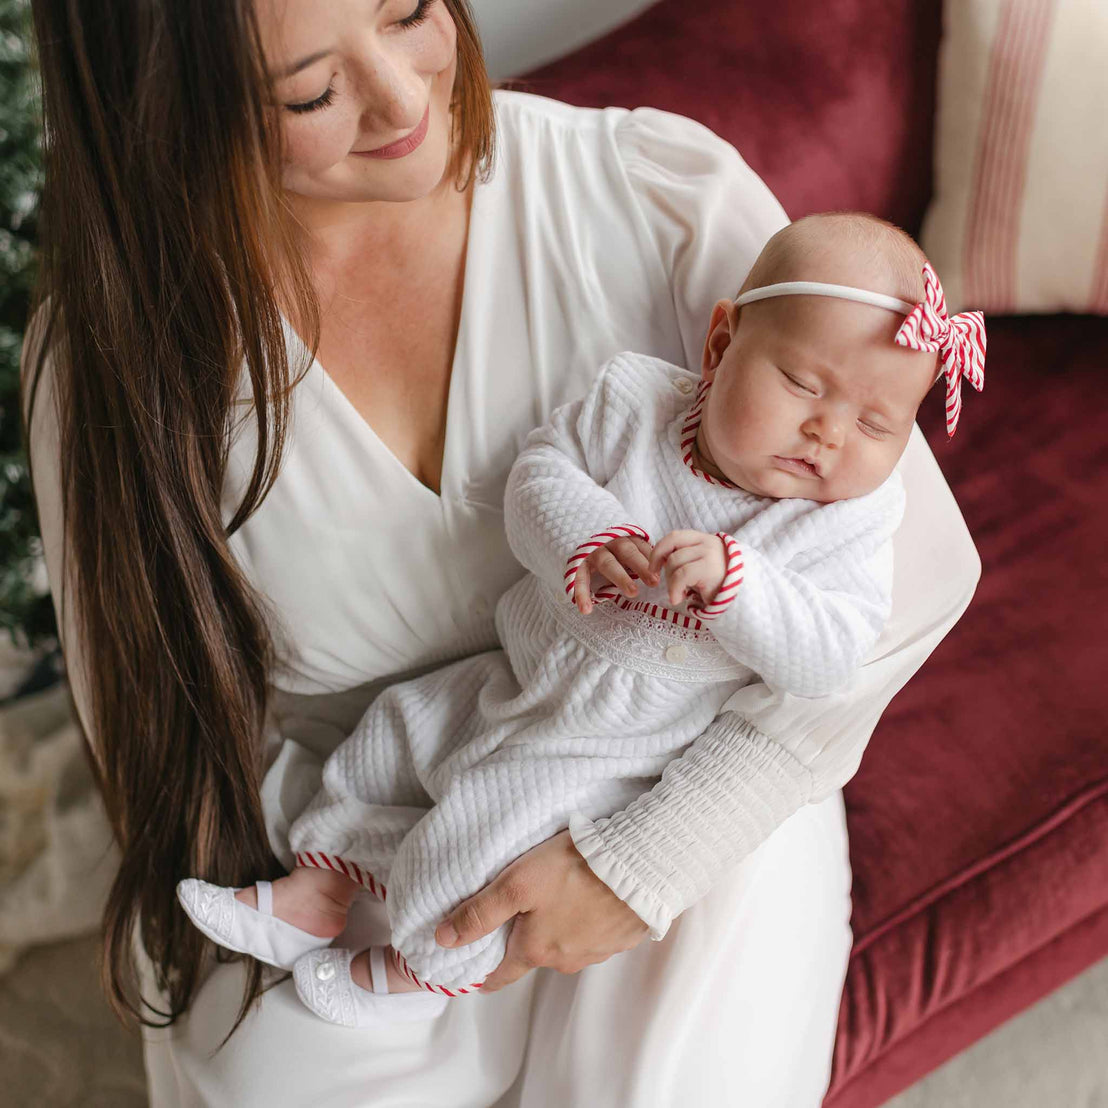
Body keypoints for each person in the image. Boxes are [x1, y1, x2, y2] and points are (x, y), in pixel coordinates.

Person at [22, 0, 981, 1103]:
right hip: (379, 810)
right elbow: (156, 731)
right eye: (310, 91)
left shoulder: (647, 189)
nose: (402, 96)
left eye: (410, 12)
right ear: (169, 111)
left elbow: (908, 586)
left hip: (679, 766)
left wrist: (640, 862)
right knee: (265, 1070)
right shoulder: (112, 371)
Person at [175, 212, 986, 1026]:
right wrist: (588, 536)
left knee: (476, 836)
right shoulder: (635, 403)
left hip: (610, 746)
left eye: (878, 424)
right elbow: (539, 477)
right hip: (520, 671)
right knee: (394, 732)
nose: (829, 431)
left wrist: (742, 587)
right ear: (720, 346)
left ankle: (418, 970)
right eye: (805, 385)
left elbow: (832, 658)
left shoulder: (844, 522)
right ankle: (320, 887)